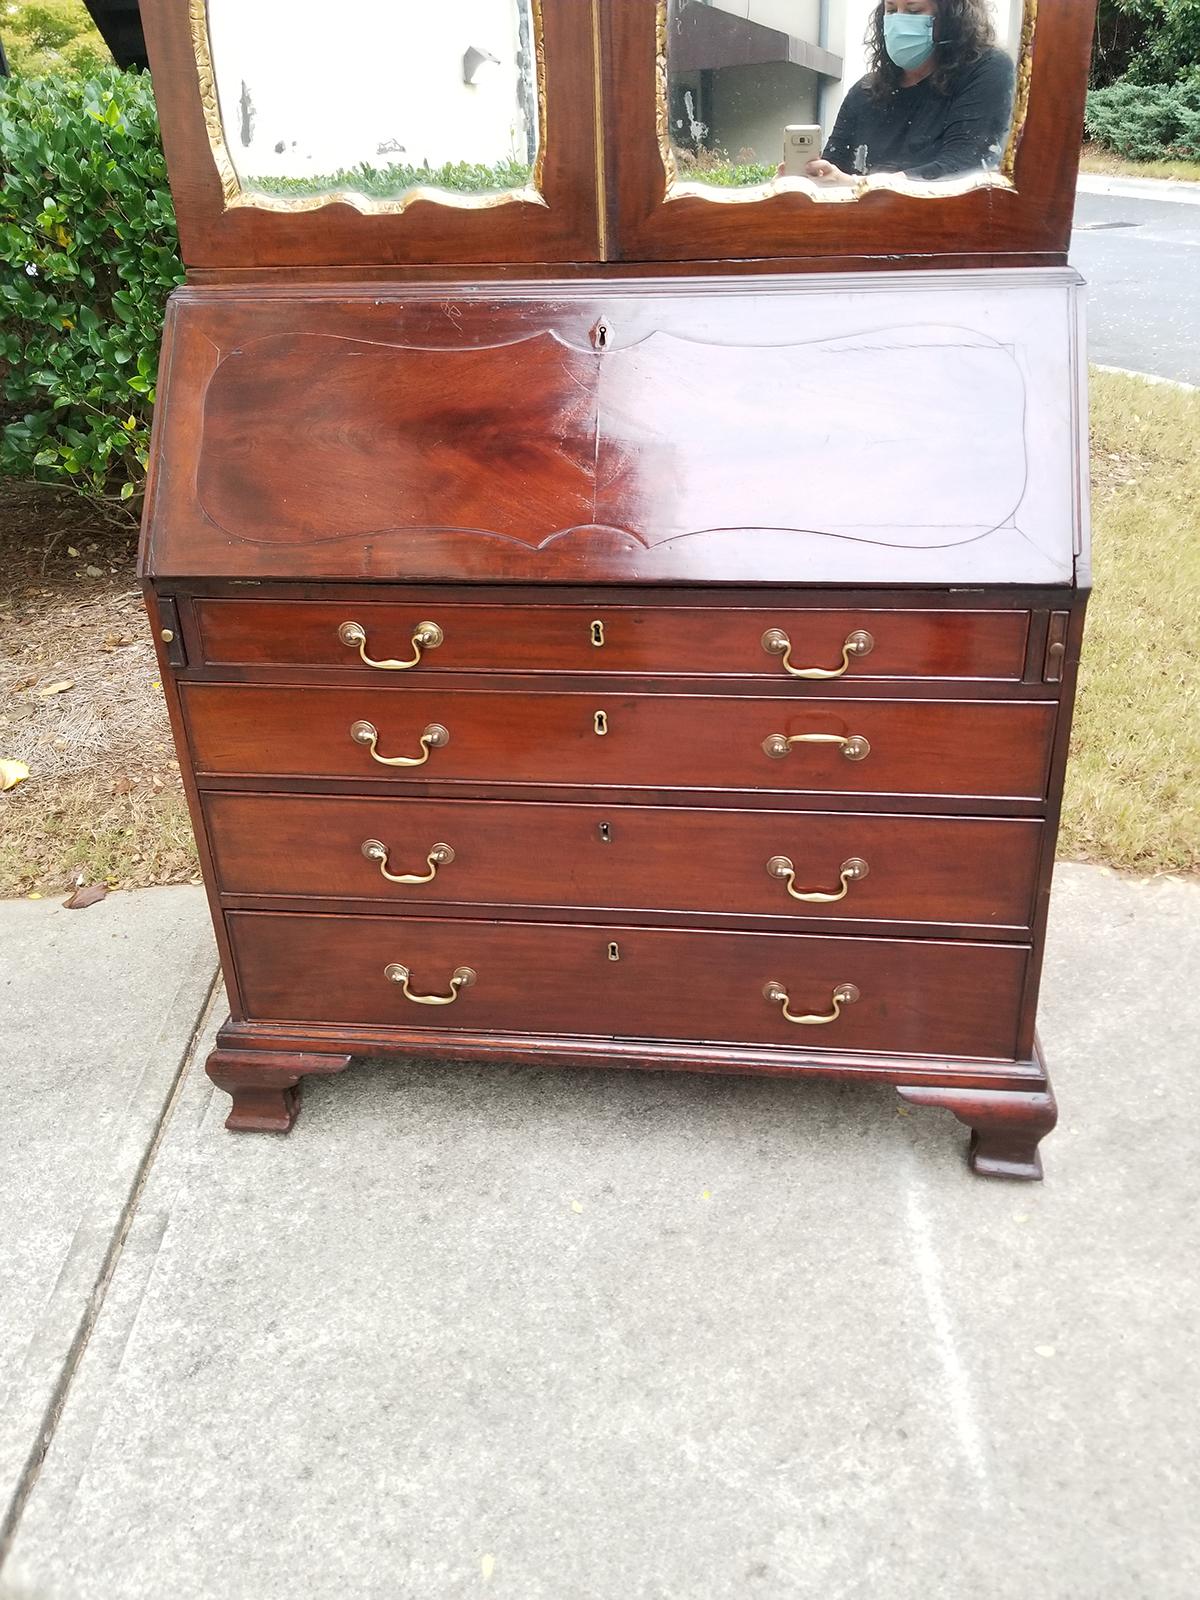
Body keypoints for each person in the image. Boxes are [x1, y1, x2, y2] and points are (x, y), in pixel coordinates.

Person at [806, 0, 1015, 184]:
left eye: (914, 10)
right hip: (864, 226)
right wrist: (807, 180)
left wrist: (858, 185)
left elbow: (963, 167)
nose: (899, 21)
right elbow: (833, 170)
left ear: (951, 17)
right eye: (891, 9)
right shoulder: (864, 91)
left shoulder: (988, 70)